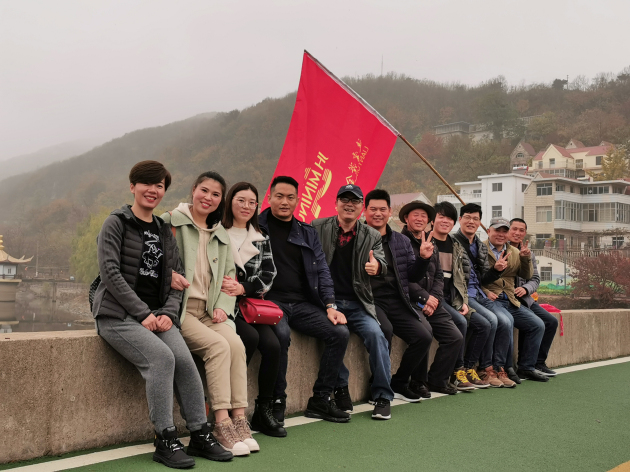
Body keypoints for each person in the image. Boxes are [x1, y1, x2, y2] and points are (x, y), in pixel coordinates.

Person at [93, 161, 232, 469]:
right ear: (133, 186)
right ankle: (165, 439)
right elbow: (110, 273)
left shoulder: (162, 229)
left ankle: (199, 433)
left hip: (156, 314)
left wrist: (169, 312)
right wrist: (142, 313)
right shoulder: (116, 223)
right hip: (117, 315)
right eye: (146, 183)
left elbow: (178, 278)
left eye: (159, 186)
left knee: (184, 360)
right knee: (161, 359)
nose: (153, 190)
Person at [163, 171, 255, 456]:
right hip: (182, 312)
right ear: (193, 189)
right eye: (204, 190)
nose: (208, 198)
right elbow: (154, 263)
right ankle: (221, 423)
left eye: (216, 194)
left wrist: (222, 307)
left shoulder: (219, 234)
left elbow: (229, 276)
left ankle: (239, 419)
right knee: (218, 347)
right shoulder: (170, 222)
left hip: (210, 311)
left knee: (236, 345)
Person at [259, 176, 351, 424]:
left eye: (290, 197)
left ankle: (320, 399)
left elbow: (322, 270)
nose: (285, 202)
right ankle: (278, 399)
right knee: (281, 335)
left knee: (339, 332)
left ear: (298, 200)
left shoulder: (307, 232)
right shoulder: (255, 227)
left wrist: (330, 305)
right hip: (270, 301)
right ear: (269, 197)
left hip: (302, 303)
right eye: (279, 196)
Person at [312, 184, 400, 420]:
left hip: (358, 302)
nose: (349, 205)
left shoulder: (371, 235)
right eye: (345, 200)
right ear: (336, 204)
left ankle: (382, 396)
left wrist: (377, 267)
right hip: (327, 302)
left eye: (355, 201)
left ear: (361, 207)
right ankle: (341, 387)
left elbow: (381, 263)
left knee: (377, 336)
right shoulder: (317, 227)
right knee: (335, 335)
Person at [220, 181, 287, 437]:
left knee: (273, 345)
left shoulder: (260, 237)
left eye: (252, 202)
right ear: (230, 202)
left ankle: (263, 410)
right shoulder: (217, 231)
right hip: (222, 304)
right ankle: (227, 406)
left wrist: (244, 287)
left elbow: (270, 274)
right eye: (241, 200)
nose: (246, 206)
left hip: (249, 304)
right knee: (248, 337)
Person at [363, 189, 434, 403]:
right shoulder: (358, 237)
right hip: (369, 299)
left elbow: (412, 276)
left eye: (382, 209)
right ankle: (378, 384)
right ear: (365, 211)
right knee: (385, 330)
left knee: (423, 337)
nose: (377, 213)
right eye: (373, 209)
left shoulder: (401, 241)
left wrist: (423, 259)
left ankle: (400, 382)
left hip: (397, 298)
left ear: (389, 212)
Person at [399, 201, 464, 396]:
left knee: (455, 337)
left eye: (424, 216)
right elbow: (402, 277)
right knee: (424, 333)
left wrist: (433, 298)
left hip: (432, 301)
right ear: (406, 218)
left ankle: (437, 380)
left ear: (429, 220)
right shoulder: (399, 242)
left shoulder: (430, 243)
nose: (420, 219)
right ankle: (417, 381)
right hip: (410, 300)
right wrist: (424, 298)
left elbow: (438, 277)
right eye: (415, 215)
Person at [452, 204, 516, 388]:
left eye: (475, 218)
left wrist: (496, 270)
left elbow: (483, 279)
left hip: (479, 293)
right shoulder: (453, 242)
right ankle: (483, 368)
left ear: (480, 222)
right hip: (464, 295)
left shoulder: (479, 246)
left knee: (506, 320)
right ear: (460, 220)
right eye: (467, 217)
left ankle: (497, 367)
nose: (471, 222)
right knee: (490, 321)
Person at [431, 201, 492, 390]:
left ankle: (468, 367)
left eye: (449, 218)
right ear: (433, 220)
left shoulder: (455, 245)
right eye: (441, 217)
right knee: (461, 322)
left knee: (484, 325)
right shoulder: (426, 242)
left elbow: (462, 279)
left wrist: (463, 301)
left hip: (453, 297)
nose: (445, 221)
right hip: (435, 298)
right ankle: (457, 371)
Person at [482, 217, 548, 382]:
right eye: (497, 230)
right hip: (492, 298)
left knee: (538, 324)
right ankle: (504, 367)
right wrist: (486, 291)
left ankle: (527, 367)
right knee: (507, 322)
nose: (501, 234)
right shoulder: (481, 249)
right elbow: (474, 278)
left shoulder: (516, 252)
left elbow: (528, 276)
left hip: (512, 299)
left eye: (504, 231)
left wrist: (525, 259)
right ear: (489, 231)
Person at [508, 218, 558, 377]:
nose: (517, 233)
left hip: (526, 299)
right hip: (508, 300)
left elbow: (535, 279)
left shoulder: (529, 254)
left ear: (525, 234)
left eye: (521, 230)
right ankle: (524, 365)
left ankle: (538, 362)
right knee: (531, 322)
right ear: (508, 230)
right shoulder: (501, 250)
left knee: (551, 321)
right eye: (514, 229)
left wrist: (525, 288)